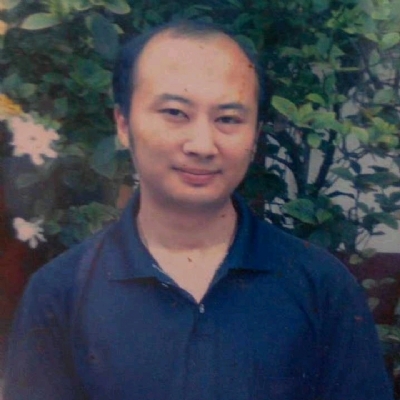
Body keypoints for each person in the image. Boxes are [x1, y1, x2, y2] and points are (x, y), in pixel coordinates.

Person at [3, 20, 394, 400]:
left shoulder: (321, 286)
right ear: (123, 123)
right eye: (175, 113)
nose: (202, 145)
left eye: (228, 119)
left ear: (255, 135)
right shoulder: (61, 293)